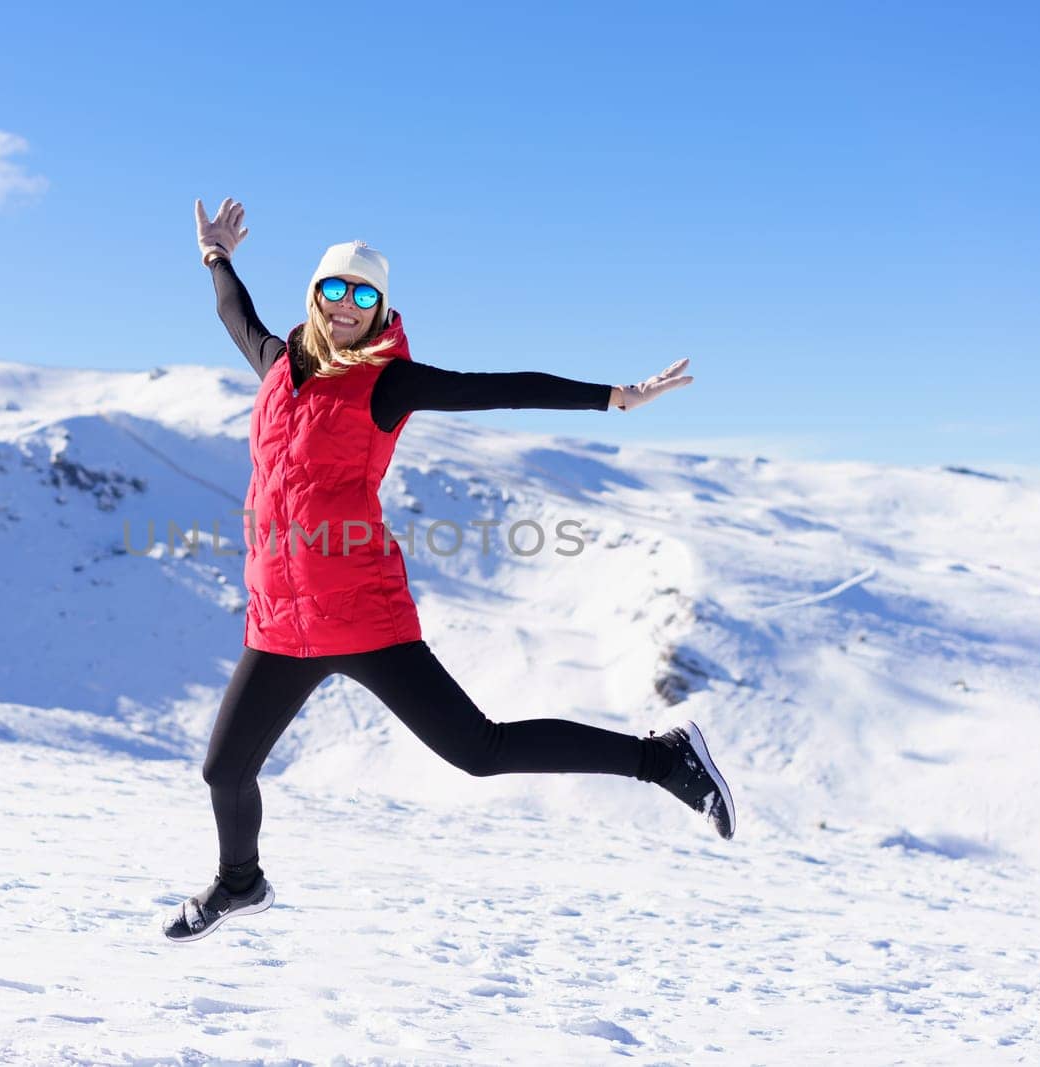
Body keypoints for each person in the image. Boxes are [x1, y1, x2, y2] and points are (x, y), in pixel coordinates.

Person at [162, 197, 734, 943]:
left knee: (479, 752)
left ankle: (665, 760)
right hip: (280, 625)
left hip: (364, 616)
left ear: (381, 309)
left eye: (365, 295)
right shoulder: (276, 367)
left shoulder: (390, 385)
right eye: (336, 289)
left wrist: (615, 397)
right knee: (223, 773)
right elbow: (235, 314)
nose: (347, 306)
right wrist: (215, 256)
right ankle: (241, 880)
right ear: (316, 295)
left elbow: (500, 386)